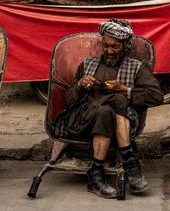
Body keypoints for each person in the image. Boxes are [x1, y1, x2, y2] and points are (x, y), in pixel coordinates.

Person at [53, 19, 163, 199]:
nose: (109, 51)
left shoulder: (136, 68)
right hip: (83, 122)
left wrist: (125, 90)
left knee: (111, 106)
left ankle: (96, 175)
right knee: (113, 103)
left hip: (116, 122)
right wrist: (80, 86)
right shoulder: (88, 65)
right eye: (106, 46)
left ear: (126, 46)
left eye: (115, 47)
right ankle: (130, 162)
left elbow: (156, 96)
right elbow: (69, 100)